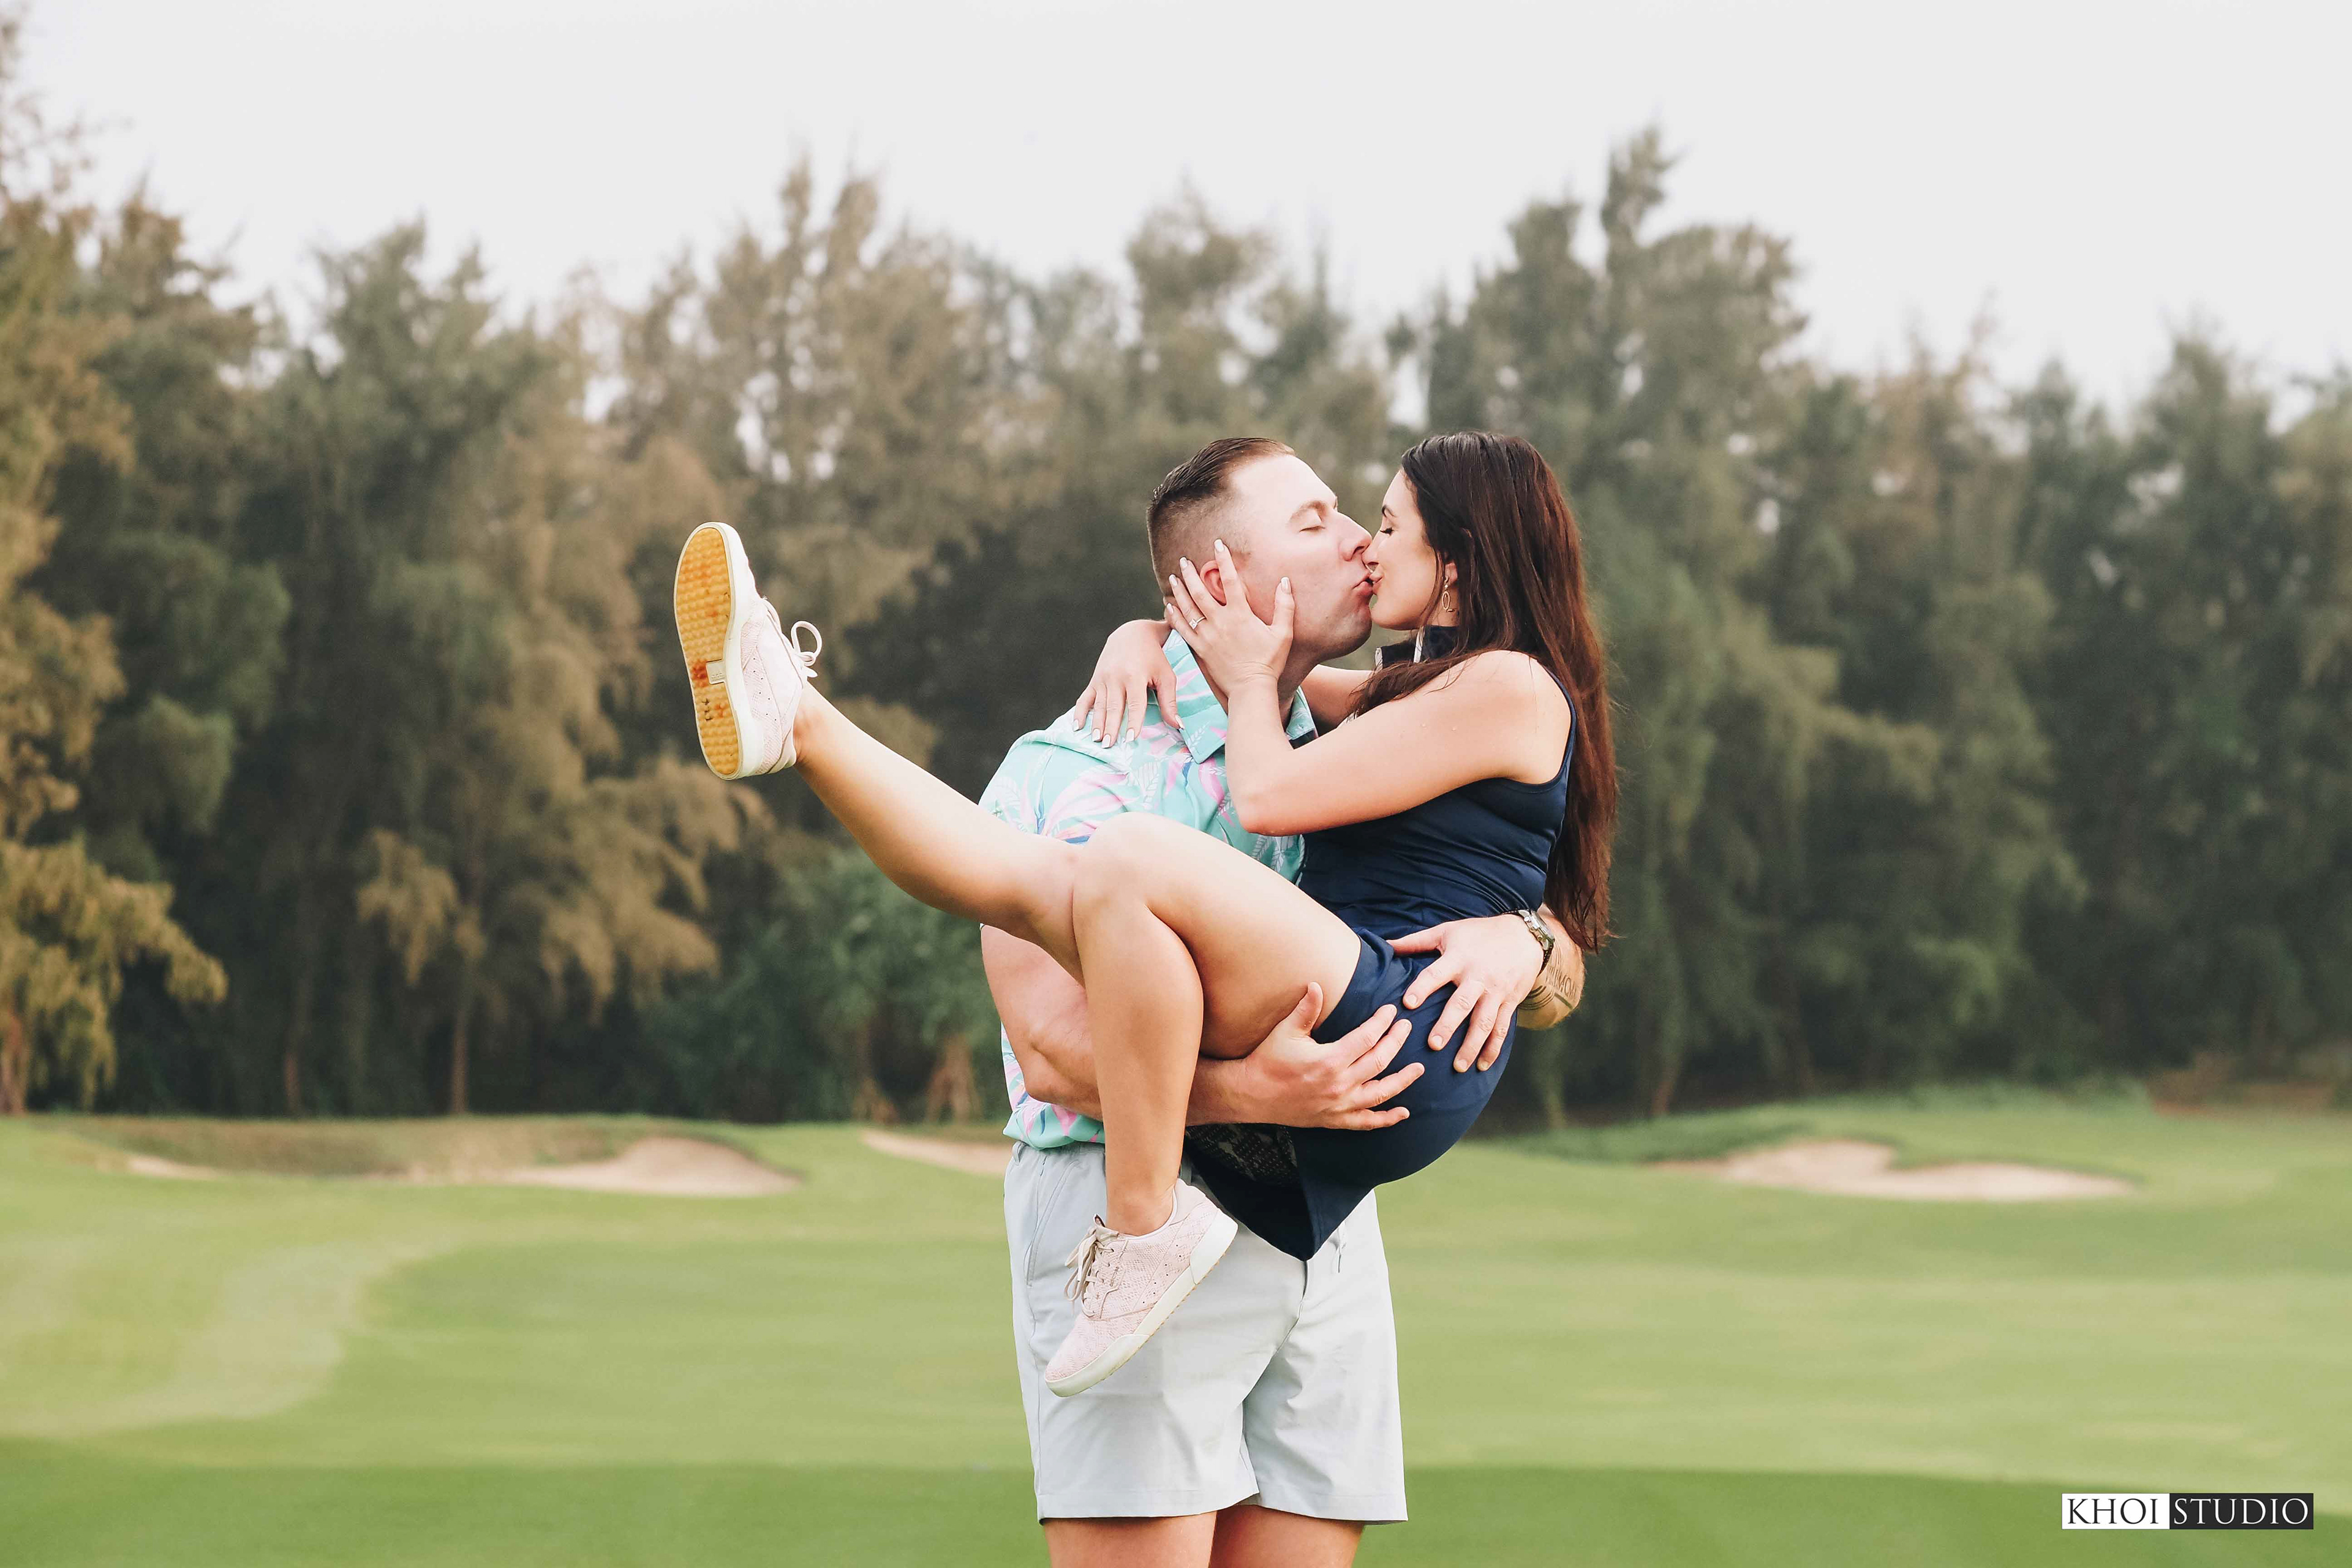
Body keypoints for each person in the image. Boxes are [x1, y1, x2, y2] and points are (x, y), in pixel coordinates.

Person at [673, 431, 1612, 1560]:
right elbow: (1062, 1056)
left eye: (1379, 521)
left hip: (1330, 1183)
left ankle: (805, 720)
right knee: (1079, 868)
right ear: (1218, 584)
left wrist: (1529, 941)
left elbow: (1497, 874)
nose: (1364, 541)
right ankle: (803, 722)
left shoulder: (1355, 715)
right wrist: (1251, 1088)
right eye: (1322, 522)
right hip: (1197, 1162)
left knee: (1105, 871)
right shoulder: (1083, 764)